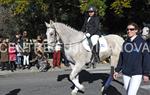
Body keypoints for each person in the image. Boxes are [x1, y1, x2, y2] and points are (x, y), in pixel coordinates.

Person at [113, 22, 150, 95]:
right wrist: (117, 70)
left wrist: (146, 73)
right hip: (126, 73)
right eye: (127, 29)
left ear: (136, 30)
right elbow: (121, 58)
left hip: (137, 73)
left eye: (131, 29)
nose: (129, 31)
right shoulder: (125, 43)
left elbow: (146, 59)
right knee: (128, 93)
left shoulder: (142, 43)